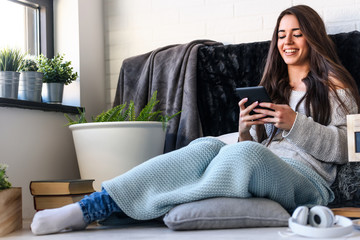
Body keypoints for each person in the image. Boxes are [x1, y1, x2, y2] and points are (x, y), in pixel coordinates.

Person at [31, 5, 360, 235]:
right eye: (281, 35)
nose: (286, 42)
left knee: (242, 153)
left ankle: (126, 207)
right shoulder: (274, 88)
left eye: (297, 34)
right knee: (207, 145)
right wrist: (247, 129)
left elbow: (347, 148)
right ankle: (93, 206)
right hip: (266, 164)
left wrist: (295, 123)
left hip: (308, 181)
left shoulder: (336, 87)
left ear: (313, 37)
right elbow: (253, 148)